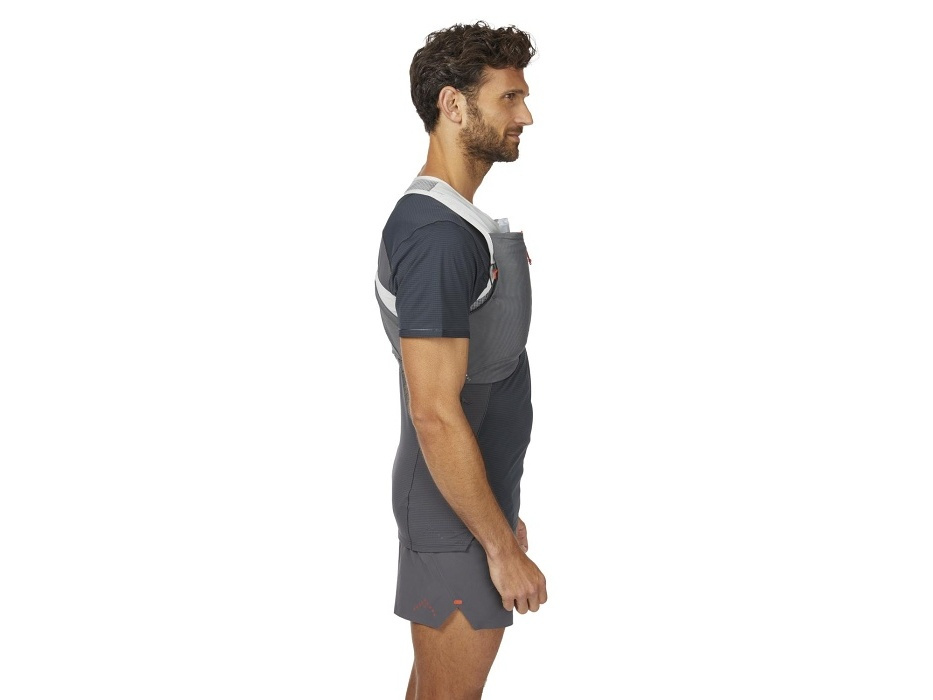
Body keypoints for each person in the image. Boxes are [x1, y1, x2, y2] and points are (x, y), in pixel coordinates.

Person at [374, 21, 547, 699]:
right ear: (453, 104)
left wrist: (499, 512)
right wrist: (498, 546)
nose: (525, 115)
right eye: (509, 98)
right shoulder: (437, 238)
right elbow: (434, 411)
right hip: (452, 523)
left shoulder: (456, 222)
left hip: (465, 511)